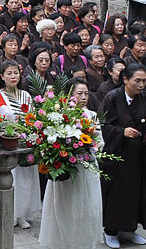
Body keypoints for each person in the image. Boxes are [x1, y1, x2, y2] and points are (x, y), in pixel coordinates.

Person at [38, 78, 103, 249]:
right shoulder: (61, 116)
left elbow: (100, 142)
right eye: (79, 93)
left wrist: (92, 144)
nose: (83, 97)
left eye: (86, 94)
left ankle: (84, 241)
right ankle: (63, 241)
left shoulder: (92, 116)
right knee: (66, 206)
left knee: (87, 206)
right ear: (69, 95)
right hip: (67, 167)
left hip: (87, 166)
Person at [100, 63, 146, 249]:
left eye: (144, 81)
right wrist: (121, 132)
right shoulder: (112, 97)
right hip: (115, 155)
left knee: (134, 194)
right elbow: (101, 125)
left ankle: (129, 230)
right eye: (137, 81)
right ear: (125, 79)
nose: (141, 85)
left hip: (137, 155)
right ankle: (111, 232)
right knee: (116, 194)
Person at [0, 59, 40, 228]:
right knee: (10, 179)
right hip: (6, 143)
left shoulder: (26, 95)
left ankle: (22, 215)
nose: (13, 76)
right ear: (2, 76)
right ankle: (8, 215)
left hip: (25, 142)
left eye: (16, 72)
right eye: (9, 73)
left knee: (25, 180)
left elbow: (34, 117)